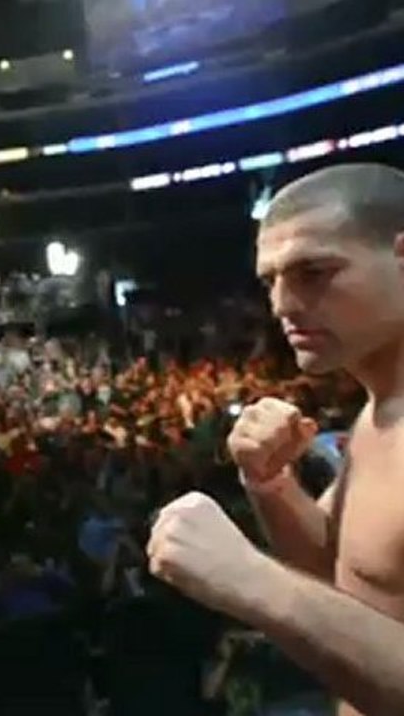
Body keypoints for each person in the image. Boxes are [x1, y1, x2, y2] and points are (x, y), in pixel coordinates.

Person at [147, 163, 404, 716]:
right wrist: (272, 487)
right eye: (271, 281)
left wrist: (255, 582)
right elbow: (342, 574)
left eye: (314, 272)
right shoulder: (378, 412)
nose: (282, 305)